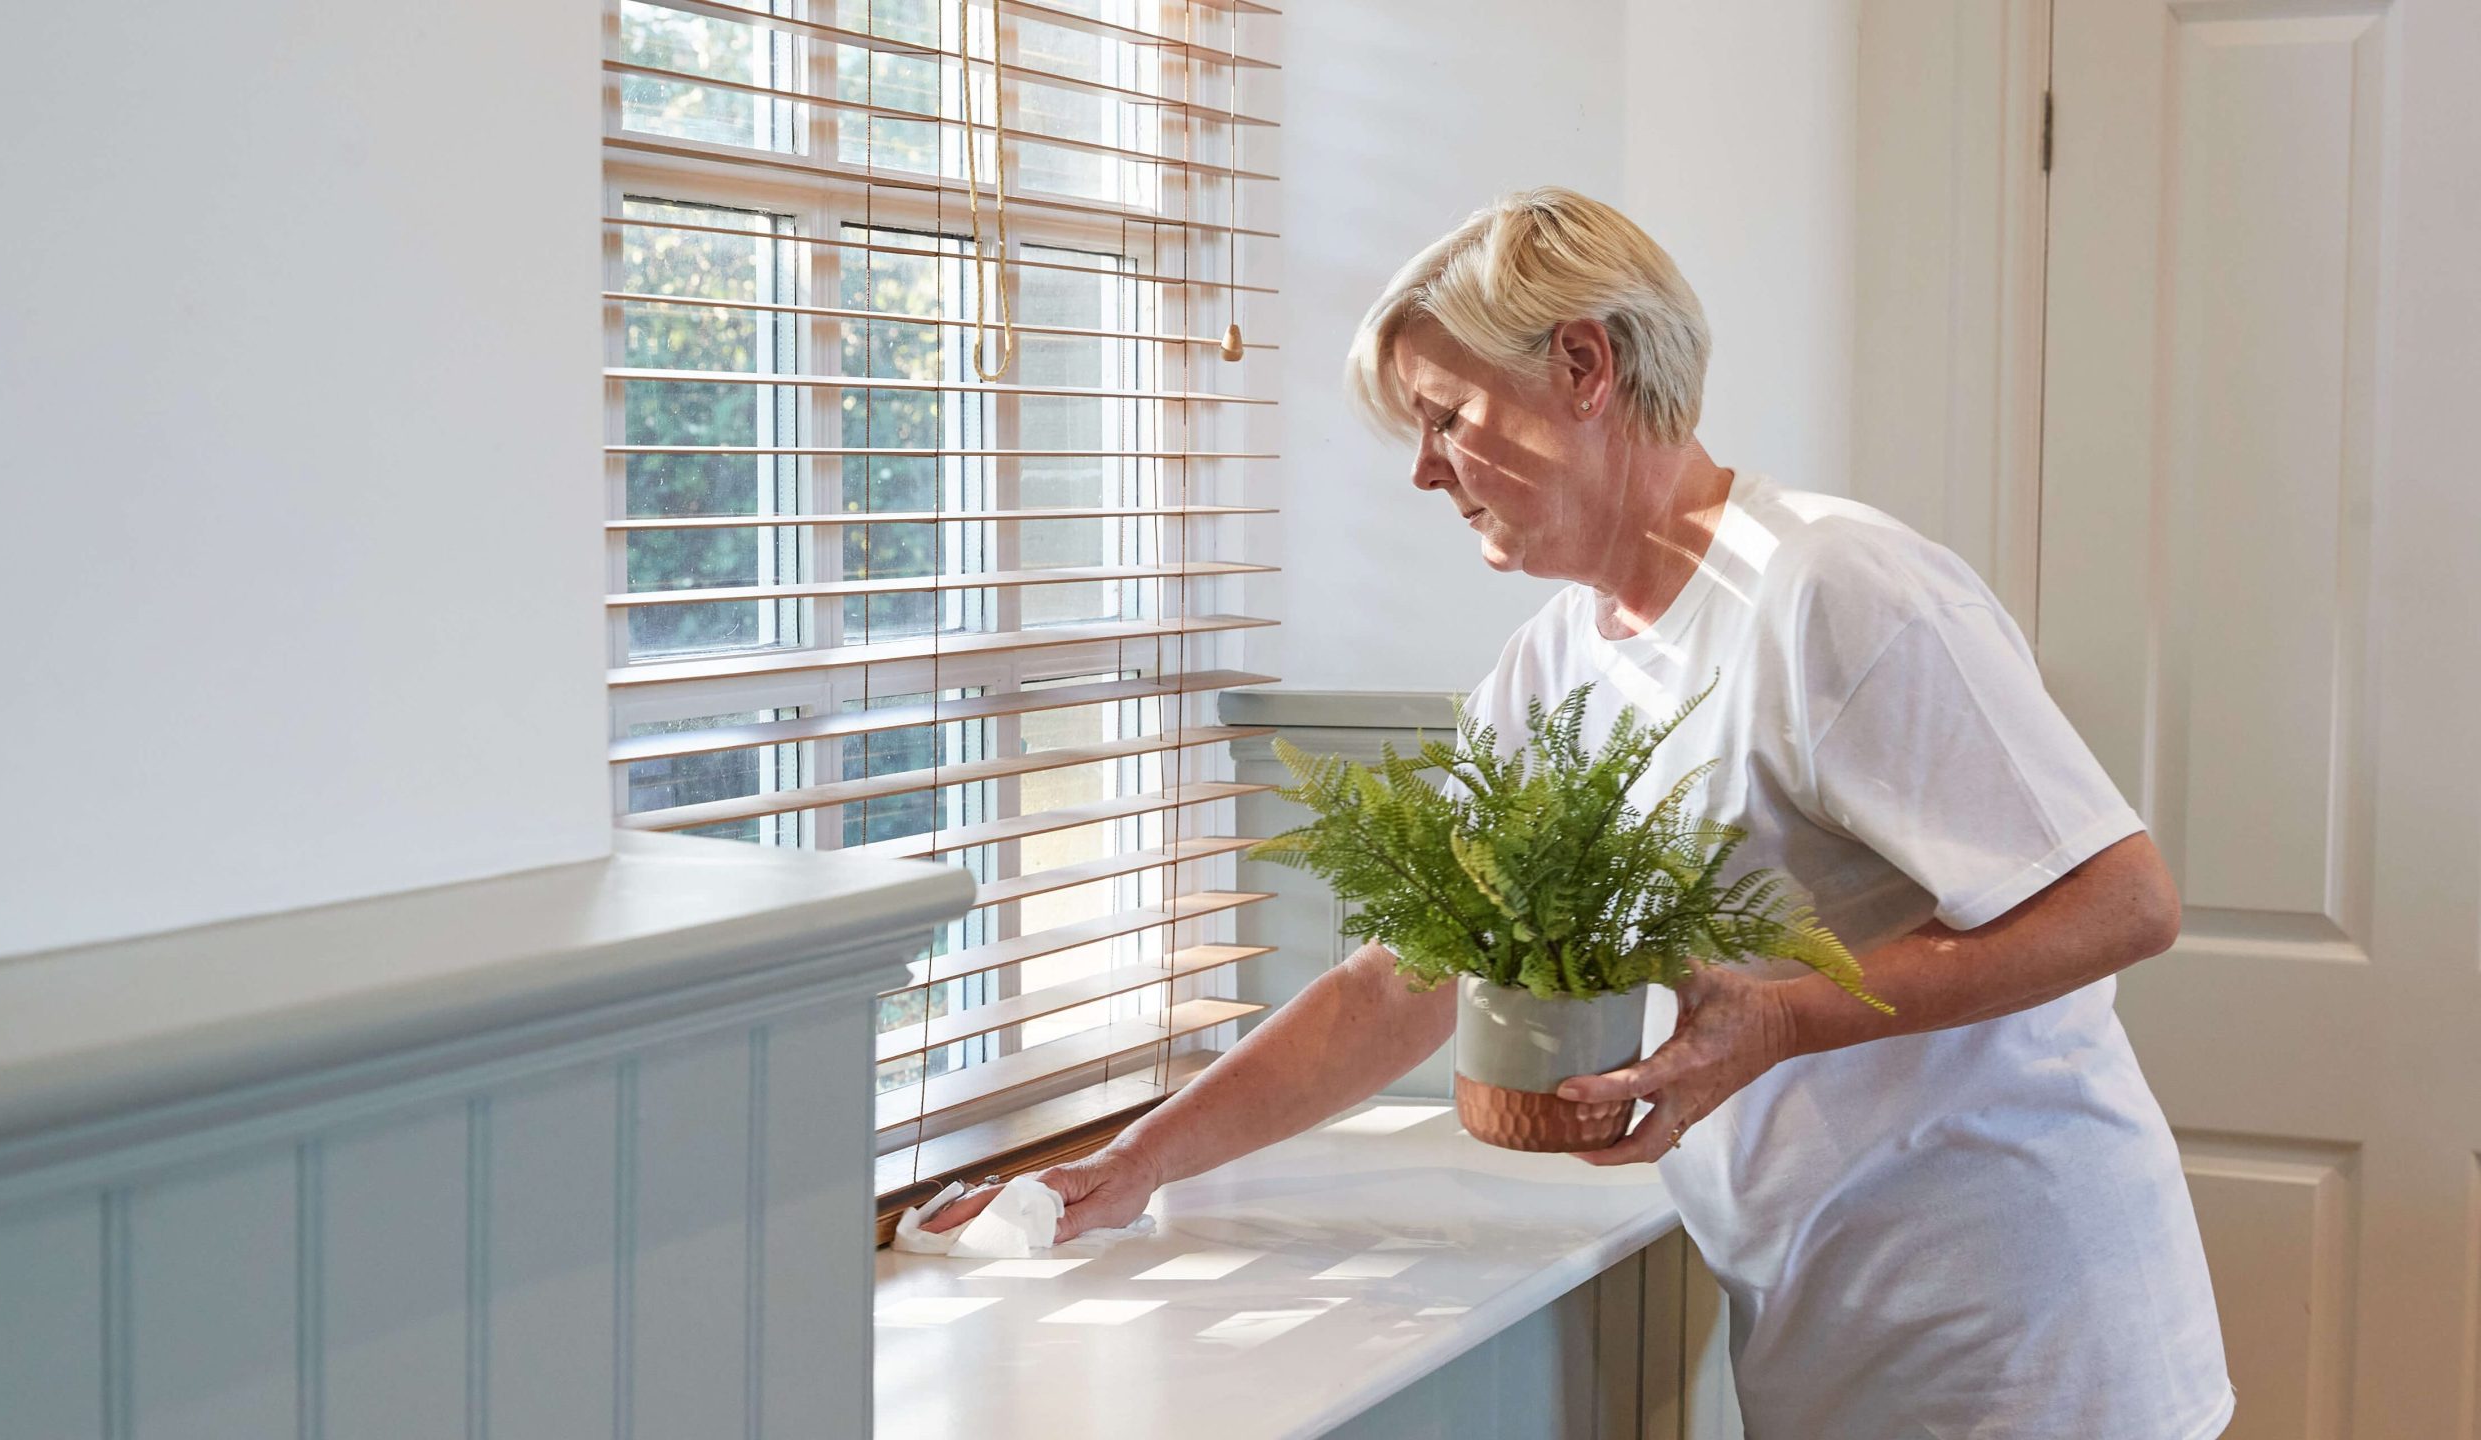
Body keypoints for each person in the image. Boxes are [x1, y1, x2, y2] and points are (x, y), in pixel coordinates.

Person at [927, 187, 2233, 1439]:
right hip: (1825, 1322)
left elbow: (2123, 900)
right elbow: (1409, 977)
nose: (1426, 474)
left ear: (1584, 369)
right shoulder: (1557, 668)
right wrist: (1135, 1163)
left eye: (1444, 416)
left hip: (2021, 1332)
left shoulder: (1832, 588)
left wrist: (1782, 1017)